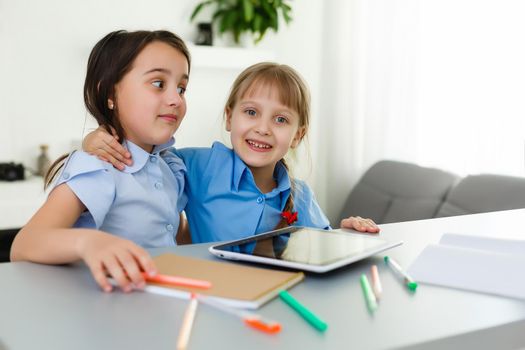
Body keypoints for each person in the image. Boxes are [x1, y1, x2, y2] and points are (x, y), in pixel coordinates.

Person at [83, 62, 379, 244]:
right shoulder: (200, 166)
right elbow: (145, 161)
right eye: (251, 112)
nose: (263, 128)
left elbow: (323, 249)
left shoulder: (300, 195)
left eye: (281, 119)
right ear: (229, 118)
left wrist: (347, 234)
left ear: (297, 135)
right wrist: (95, 140)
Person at [10, 30, 191, 293]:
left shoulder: (169, 167)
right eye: (158, 83)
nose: (175, 99)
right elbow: (24, 245)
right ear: (110, 94)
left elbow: (175, 237)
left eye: (181, 88)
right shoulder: (99, 166)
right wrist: (88, 243)